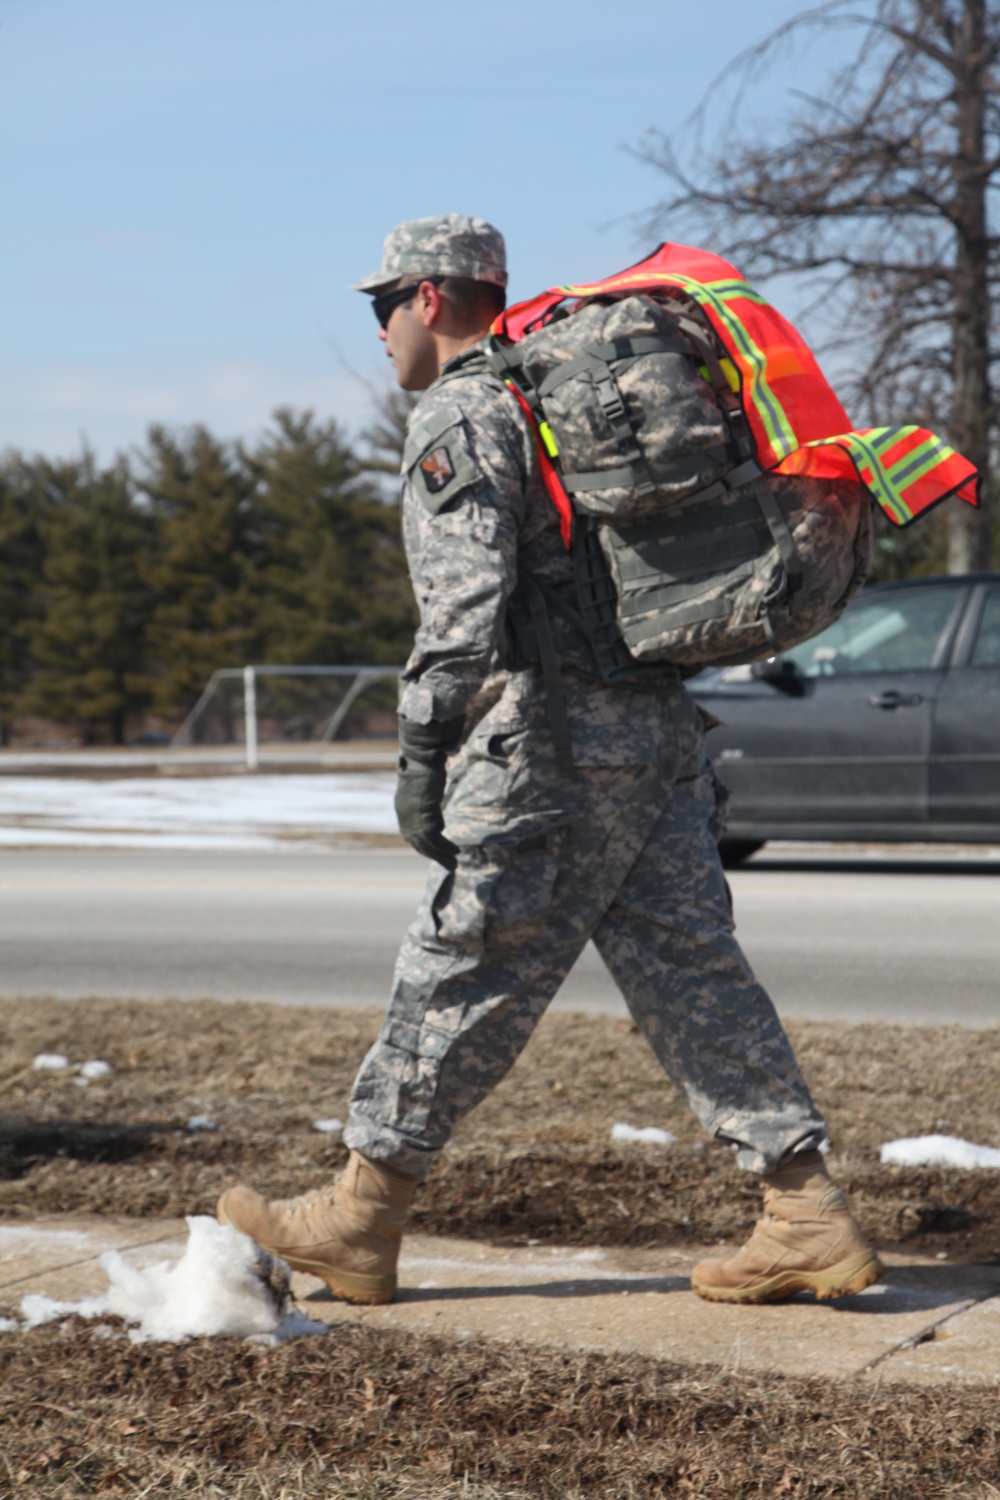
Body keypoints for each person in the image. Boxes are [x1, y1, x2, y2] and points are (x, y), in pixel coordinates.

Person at [218, 214, 882, 1307]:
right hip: (657, 735)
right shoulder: (552, 401)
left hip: (550, 747)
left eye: (381, 305)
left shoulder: (466, 411)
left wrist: (425, 747)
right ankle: (803, 1212)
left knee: (463, 966)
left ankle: (358, 1216)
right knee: (692, 974)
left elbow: (464, 604)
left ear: (430, 298)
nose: (380, 331)